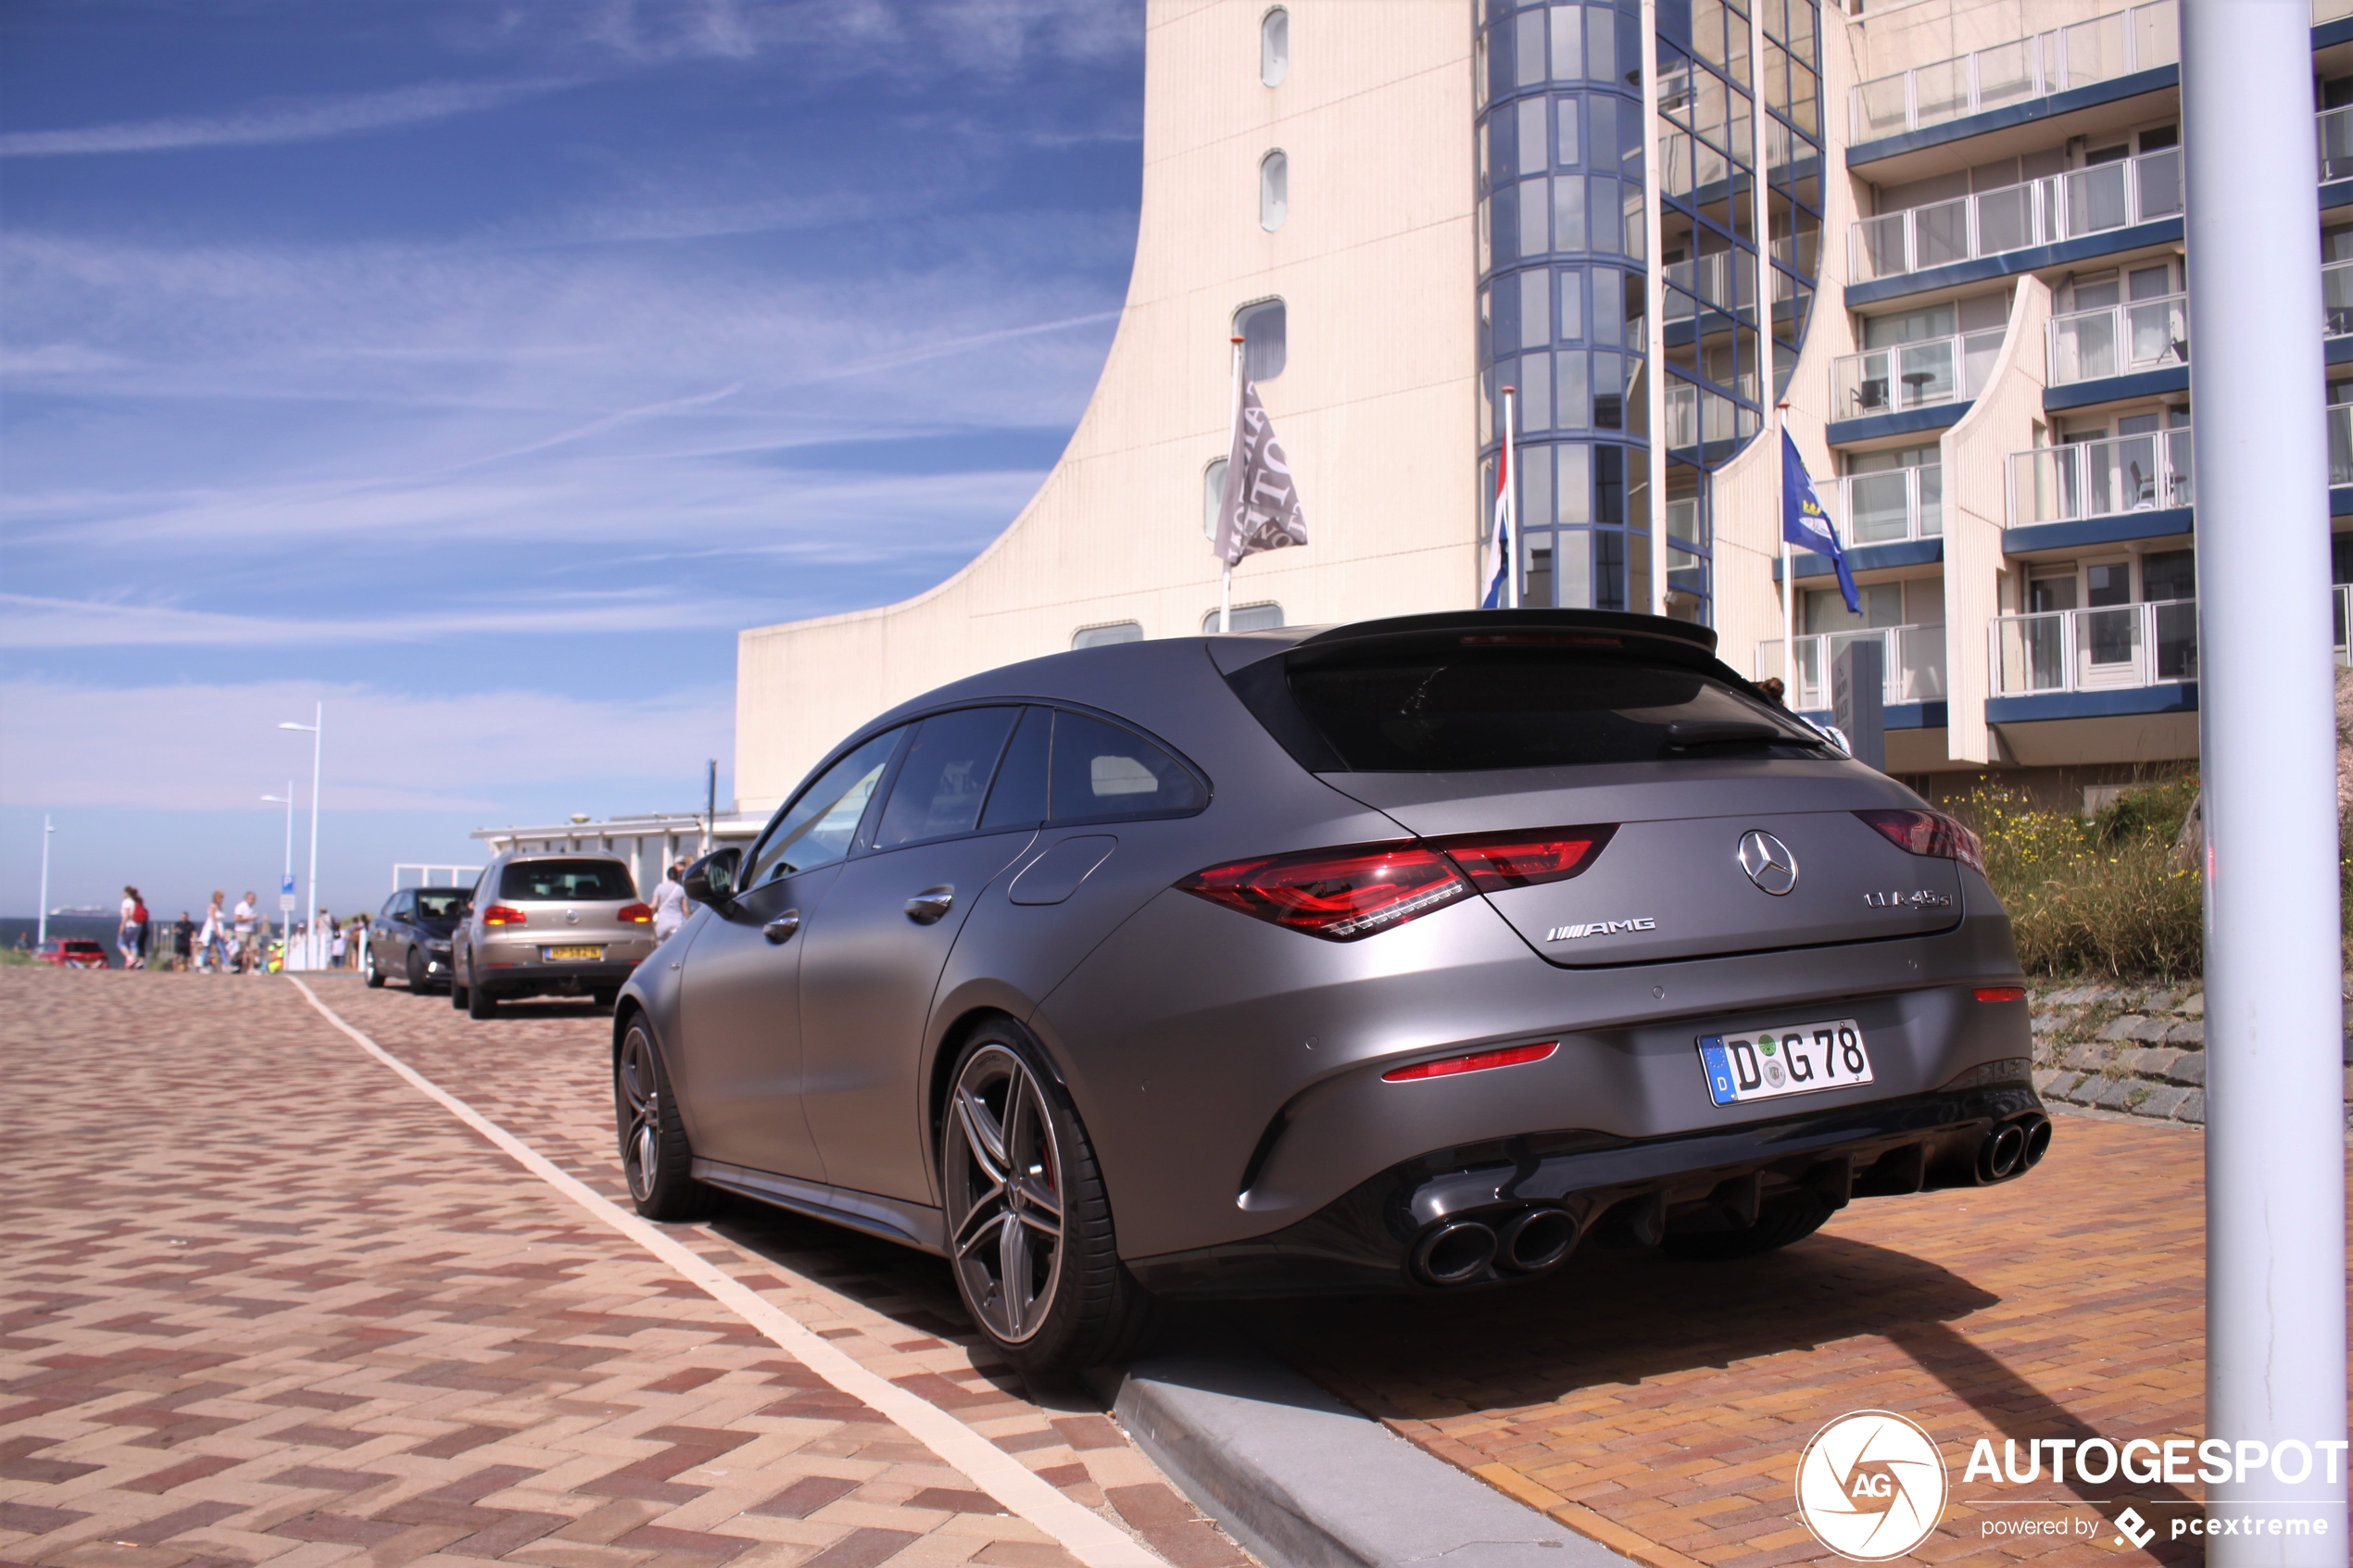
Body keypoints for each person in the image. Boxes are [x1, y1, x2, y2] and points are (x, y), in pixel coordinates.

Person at [651, 860, 690, 943]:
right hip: (677, 922)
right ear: (677, 876)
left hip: (663, 922)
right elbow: (685, 909)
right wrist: (689, 920)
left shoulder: (659, 887)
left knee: (659, 946)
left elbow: (654, 905)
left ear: (667, 875)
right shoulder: (681, 889)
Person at [199, 893, 227, 972]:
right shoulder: (212, 906)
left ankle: (226, 964)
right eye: (220, 898)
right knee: (208, 947)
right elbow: (213, 919)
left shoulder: (220, 908)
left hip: (219, 929)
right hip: (211, 929)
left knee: (222, 947)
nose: (221, 900)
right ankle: (203, 965)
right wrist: (216, 929)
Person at [233, 891, 258, 973]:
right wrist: (250, 919)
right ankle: (233, 963)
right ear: (246, 898)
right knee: (241, 949)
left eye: (254, 899)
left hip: (250, 931)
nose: (253, 901)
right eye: (251, 899)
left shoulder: (251, 909)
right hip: (241, 931)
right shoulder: (241, 906)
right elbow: (237, 918)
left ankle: (251, 968)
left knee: (254, 948)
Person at [118, 885, 142, 970]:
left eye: (124, 892)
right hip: (137, 925)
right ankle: (134, 961)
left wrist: (121, 926)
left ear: (127, 893)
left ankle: (130, 959)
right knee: (133, 944)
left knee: (120, 943)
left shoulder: (126, 902)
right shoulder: (135, 902)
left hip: (129, 925)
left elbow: (126, 915)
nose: (123, 894)